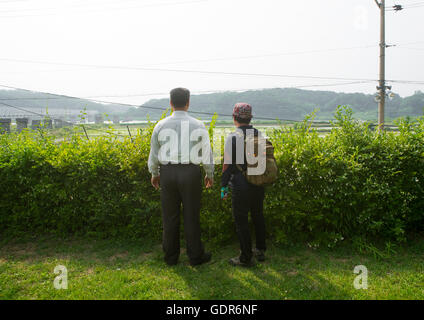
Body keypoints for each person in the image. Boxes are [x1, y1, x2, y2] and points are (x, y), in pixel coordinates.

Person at [148, 87, 214, 266]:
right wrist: (209, 173)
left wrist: (155, 173)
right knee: (192, 215)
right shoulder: (198, 124)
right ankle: (195, 256)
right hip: (191, 172)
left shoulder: (160, 125)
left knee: (169, 216)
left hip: (167, 173)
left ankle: (170, 257)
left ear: (170, 103)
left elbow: (154, 153)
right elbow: (206, 153)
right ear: (188, 102)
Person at [221, 103, 266, 267]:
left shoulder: (233, 137)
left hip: (240, 183)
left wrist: (223, 186)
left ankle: (245, 257)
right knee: (258, 215)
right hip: (258, 181)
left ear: (234, 118)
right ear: (250, 118)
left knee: (241, 221)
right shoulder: (259, 135)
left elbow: (227, 165)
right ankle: (260, 250)